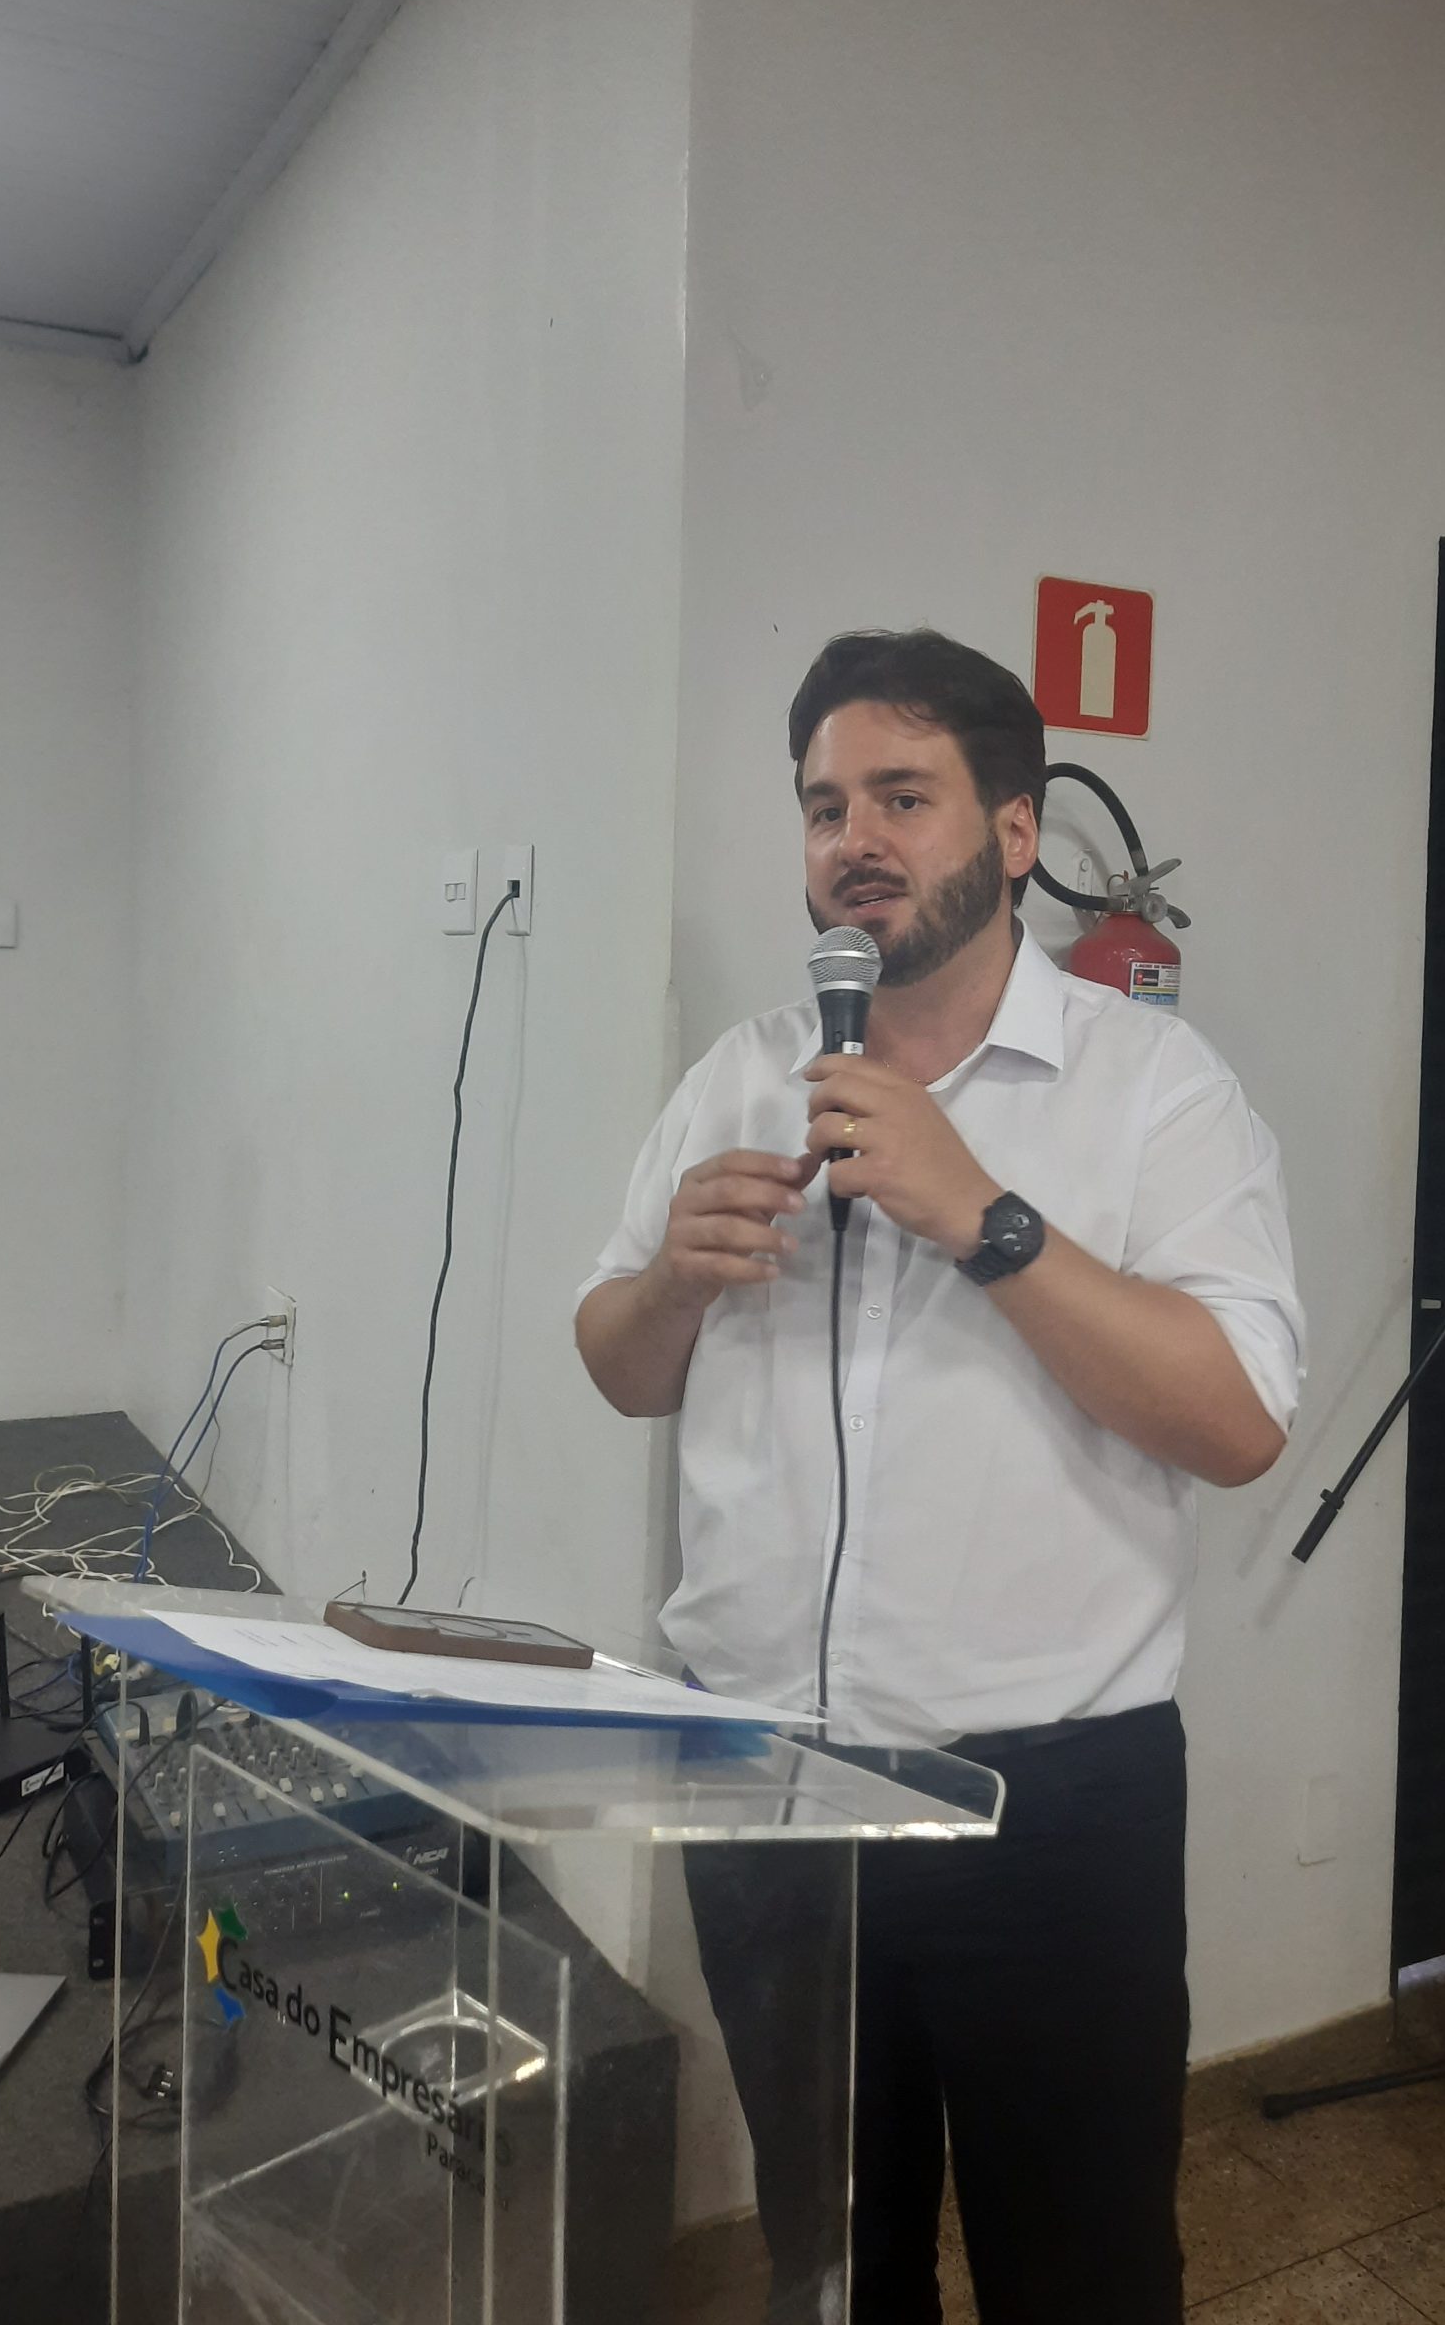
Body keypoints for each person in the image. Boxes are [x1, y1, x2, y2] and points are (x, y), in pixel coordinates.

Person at [575, 629, 1304, 2324]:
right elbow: (620, 1370)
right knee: (833, 2265)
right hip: (761, 1787)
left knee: (1083, 2274)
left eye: (903, 796)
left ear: (1018, 831)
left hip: (1045, 1806)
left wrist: (984, 1215)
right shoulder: (738, 1077)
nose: (855, 839)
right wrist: (673, 1279)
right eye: (825, 805)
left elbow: (1240, 1421)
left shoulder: (1154, 1091)